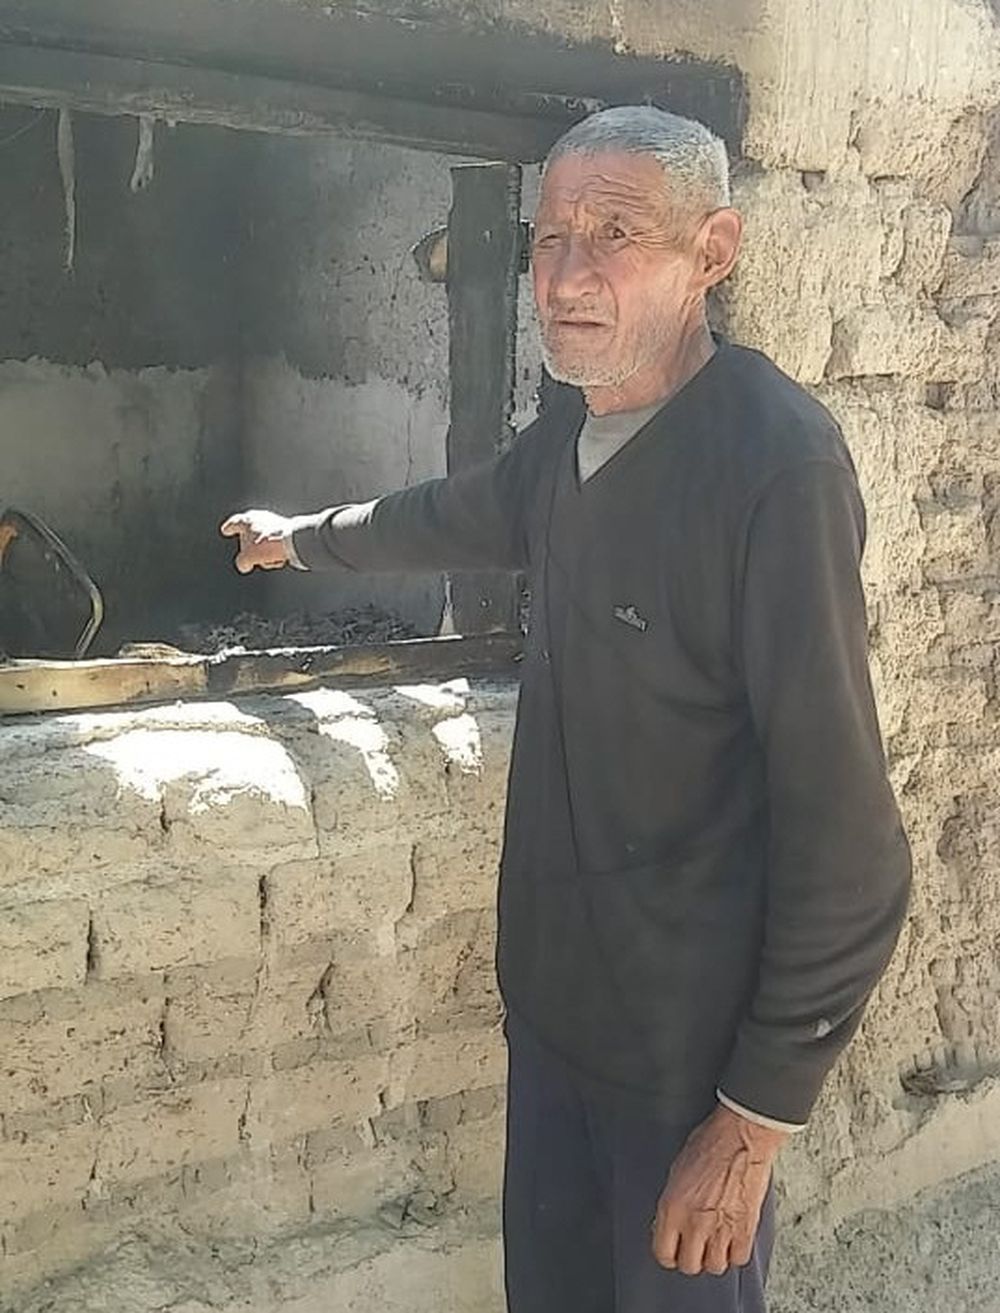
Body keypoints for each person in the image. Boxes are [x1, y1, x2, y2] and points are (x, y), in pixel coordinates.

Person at [222, 106, 912, 1313]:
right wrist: (298, 540)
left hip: (685, 1070)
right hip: (554, 1024)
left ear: (715, 251)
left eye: (616, 234)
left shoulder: (773, 468)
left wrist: (749, 1127)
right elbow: (441, 515)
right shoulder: (568, 445)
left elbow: (851, 845)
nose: (568, 276)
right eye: (549, 240)